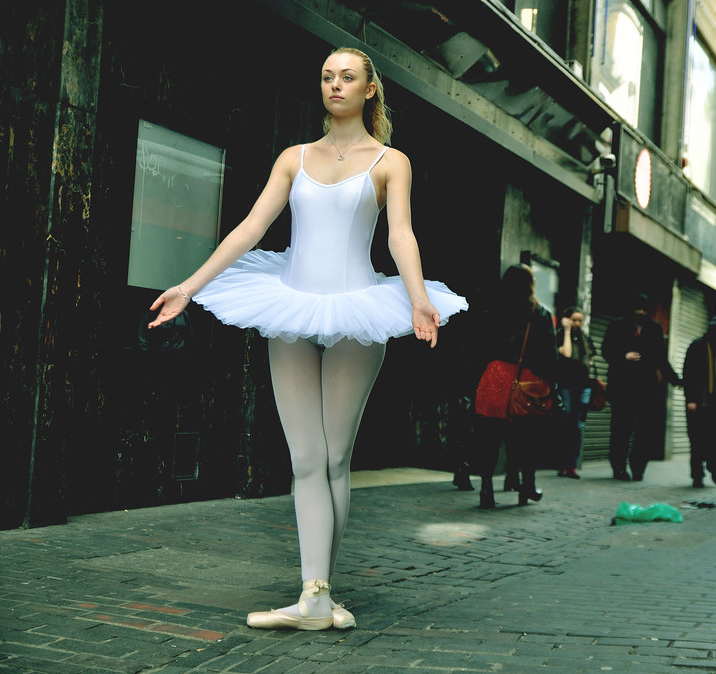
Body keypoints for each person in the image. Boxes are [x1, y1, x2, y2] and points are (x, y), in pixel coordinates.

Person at [148, 47, 467, 631]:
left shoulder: (391, 162)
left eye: (348, 77)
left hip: (357, 310)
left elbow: (402, 236)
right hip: (289, 304)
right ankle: (314, 597)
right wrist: (189, 286)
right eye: (327, 77)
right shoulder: (293, 158)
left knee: (337, 455)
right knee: (304, 457)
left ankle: (322, 592)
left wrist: (418, 297)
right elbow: (250, 227)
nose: (335, 85)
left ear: (370, 89)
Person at [472, 264, 557, 509]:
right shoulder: (538, 312)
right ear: (531, 284)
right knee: (526, 437)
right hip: (525, 380)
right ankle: (526, 486)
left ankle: (486, 488)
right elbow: (549, 354)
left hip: (493, 377)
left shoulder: (491, 309)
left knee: (488, 436)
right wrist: (551, 383)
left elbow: (478, 346)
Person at [601, 293, 683, 482]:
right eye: (637, 309)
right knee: (621, 430)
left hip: (646, 389)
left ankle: (638, 468)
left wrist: (675, 379)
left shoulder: (653, 328)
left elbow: (661, 358)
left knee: (645, 432)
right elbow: (606, 350)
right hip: (622, 388)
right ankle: (619, 468)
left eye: (643, 310)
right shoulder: (617, 326)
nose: (640, 313)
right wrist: (623, 356)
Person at [682, 316, 716, 488]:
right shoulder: (698, 346)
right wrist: (691, 400)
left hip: (715, 403)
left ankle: (713, 467)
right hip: (698, 403)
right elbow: (688, 374)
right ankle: (697, 475)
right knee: (697, 441)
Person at [555, 307, 597, 479]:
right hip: (566, 386)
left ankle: (572, 465)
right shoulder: (559, 335)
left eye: (580, 320)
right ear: (567, 320)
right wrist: (565, 330)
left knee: (578, 426)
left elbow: (590, 358)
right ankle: (563, 465)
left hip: (583, 387)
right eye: (574, 319)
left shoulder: (585, 338)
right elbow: (567, 353)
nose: (577, 323)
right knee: (566, 425)